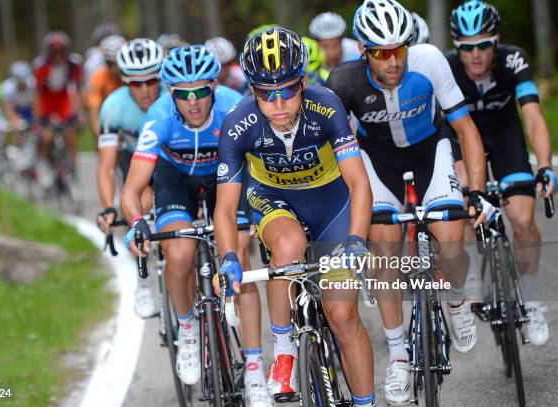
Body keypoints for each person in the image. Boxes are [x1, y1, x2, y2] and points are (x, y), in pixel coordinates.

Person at [327, 0, 494, 404]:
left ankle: (456, 299)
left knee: (452, 238)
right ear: (364, 51)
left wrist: (477, 191)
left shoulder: (430, 61)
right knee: (384, 249)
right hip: (376, 158)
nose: (393, 60)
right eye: (382, 52)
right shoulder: (344, 82)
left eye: (399, 48)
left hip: (429, 151)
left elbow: (466, 130)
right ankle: (399, 353)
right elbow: (334, 152)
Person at [215, 26, 376, 406]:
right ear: (251, 91)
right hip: (274, 202)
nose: (279, 102)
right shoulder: (238, 125)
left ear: (303, 81)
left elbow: (358, 184)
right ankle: (284, 350)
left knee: (343, 317)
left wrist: (356, 240)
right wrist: (228, 258)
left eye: (288, 89)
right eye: (266, 94)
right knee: (287, 246)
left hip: (331, 203)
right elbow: (224, 208)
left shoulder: (326, 106)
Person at [120, 45, 270, 407]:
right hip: (177, 180)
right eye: (183, 94)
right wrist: (137, 222)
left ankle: (254, 371)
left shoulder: (234, 107)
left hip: (226, 179)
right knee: (180, 252)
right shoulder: (158, 117)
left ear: (214, 88)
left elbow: (262, 162)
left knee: (241, 261)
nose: (193, 101)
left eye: (201, 90)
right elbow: (132, 188)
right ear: (171, 93)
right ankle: (187, 328)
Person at [447, 0, 556, 345]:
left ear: (496, 41)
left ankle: (533, 296)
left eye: (483, 45)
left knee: (522, 219)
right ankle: (477, 282)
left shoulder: (513, 59)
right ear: (457, 48)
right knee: (465, 200)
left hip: (505, 135)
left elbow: (534, 116)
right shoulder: (446, 67)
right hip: (462, 138)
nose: (476, 55)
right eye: (467, 47)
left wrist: (544, 166)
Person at [95, 38, 164, 318]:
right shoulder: (113, 107)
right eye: (136, 83)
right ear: (125, 82)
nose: (146, 89)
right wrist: (109, 208)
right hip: (136, 161)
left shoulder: (174, 98)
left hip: (172, 159)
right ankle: (144, 279)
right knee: (140, 204)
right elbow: (107, 167)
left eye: (151, 80)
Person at [33, 30, 83, 179]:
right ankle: (45, 163)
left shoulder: (74, 64)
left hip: (63, 99)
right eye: (54, 53)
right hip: (47, 100)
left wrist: (78, 113)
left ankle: (73, 169)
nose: (58, 57)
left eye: (60, 52)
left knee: (70, 134)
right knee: (46, 136)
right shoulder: (41, 66)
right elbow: (37, 94)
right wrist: (39, 119)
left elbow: (78, 89)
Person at [87, 34, 127, 135]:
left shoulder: (131, 76)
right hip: (106, 118)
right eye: (110, 64)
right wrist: (100, 137)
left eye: (118, 64)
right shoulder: (98, 78)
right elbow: (94, 112)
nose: (114, 69)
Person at [2, 61, 36, 130]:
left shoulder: (33, 84)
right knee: (15, 127)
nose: (21, 85)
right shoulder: (7, 88)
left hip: (29, 110)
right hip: (16, 110)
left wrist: (35, 120)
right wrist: (15, 120)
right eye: (19, 83)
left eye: (23, 82)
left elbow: (37, 105)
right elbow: (8, 109)